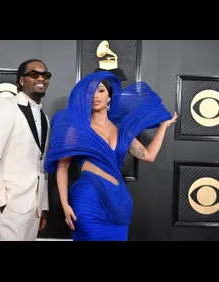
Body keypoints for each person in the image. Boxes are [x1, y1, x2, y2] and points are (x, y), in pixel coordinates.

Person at [44, 71, 177, 241]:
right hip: (87, 199)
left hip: (118, 201)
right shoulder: (77, 128)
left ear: (109, 96)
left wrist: (163, 127)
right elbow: (62, 167)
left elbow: (149, 155)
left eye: (100, 91)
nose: (95, 96)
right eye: (90, 92)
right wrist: (64, 205)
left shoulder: (121, 131)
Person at [0, 59, 51, 241]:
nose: (41, 78)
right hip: (11, 204)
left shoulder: (45, 118)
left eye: (45, 75)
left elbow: (41, 165)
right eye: (34, 74)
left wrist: (42, 206)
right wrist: (0, 202)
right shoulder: (6, 106)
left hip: (34, 205)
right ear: (20, 80)